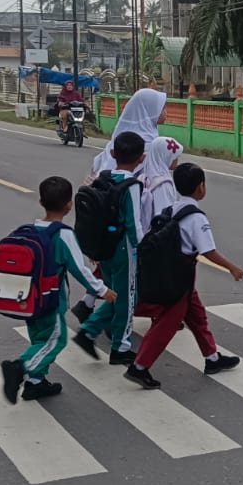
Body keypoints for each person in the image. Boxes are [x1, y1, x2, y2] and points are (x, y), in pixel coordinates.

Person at [124, 163, 243, 389]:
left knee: (197, 315)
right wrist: (232, 267)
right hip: (180, 277)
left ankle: (212, 358)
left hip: (170, 272)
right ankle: (139, 366)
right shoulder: (196, 217)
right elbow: (208, 251)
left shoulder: (170, 209)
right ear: (201, 188)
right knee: (167, 324)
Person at [1, 177, 118, 404]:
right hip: (50, 300)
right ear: (69, 205)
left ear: (41, 201)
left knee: (40, 338)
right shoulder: (63, 234)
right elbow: (80, 269)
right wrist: (102, 290)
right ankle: (21, 368)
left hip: (27, 298)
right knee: (56, 340)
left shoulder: (31, 229)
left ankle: (36, 383)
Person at [75, 88, 168, 322]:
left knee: (112, 262)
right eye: (161, 108)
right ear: (148, 111)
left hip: (106, 215)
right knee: (135, 271)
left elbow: (95, 175)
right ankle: (133, 316)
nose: (165, 112)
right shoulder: (148, 146)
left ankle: (88, 304)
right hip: (134, 216)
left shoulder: (118, 141)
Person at [73, 132, 147, 365]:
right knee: (128, 298)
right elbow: (134, 224)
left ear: (113, 153)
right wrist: (143, 250)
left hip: (102, 246)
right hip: (124, 249)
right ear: (142, 158)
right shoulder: (131, 185)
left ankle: (90, 330)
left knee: (115, 293)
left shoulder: (103, 177)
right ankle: (120, 347)